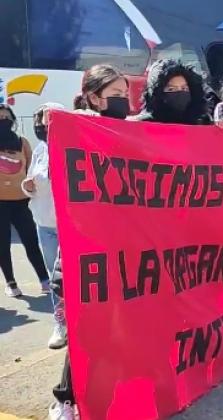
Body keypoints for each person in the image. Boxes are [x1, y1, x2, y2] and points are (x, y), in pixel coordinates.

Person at [49, 64, 130, 420]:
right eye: (115, 96)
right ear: (94, 97)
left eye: (126, 95)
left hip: (121, 251)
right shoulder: (74, 131)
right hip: (84, 250)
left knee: (115, 330)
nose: (123, 102)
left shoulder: (131, 133)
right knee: (89, 334)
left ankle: (109, 393)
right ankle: (66, 400)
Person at [22, 102, 67, 349]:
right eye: (39, 120)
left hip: (71, 227)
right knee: (56, 280)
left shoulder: (74, 146)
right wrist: (26, 187)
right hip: (46, 225)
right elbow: (31, 182)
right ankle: (61, 324)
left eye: (48, 119)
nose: (42, 124)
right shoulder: (40, 150)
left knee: (79, 279)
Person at [0, 104, 50, 298]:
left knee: (31, 241)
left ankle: (44, 280)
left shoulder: (22, 142)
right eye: (0, 117)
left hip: (21, 202)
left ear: (12, 121)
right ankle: (11, 284)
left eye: (6, 117)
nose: (3, 120)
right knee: (3, 245)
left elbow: (31, 170)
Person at [133, 59, 213, 125]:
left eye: (184, 88)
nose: (179, 93)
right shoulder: (144, 124)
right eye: (171, 89)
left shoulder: (202, 123)